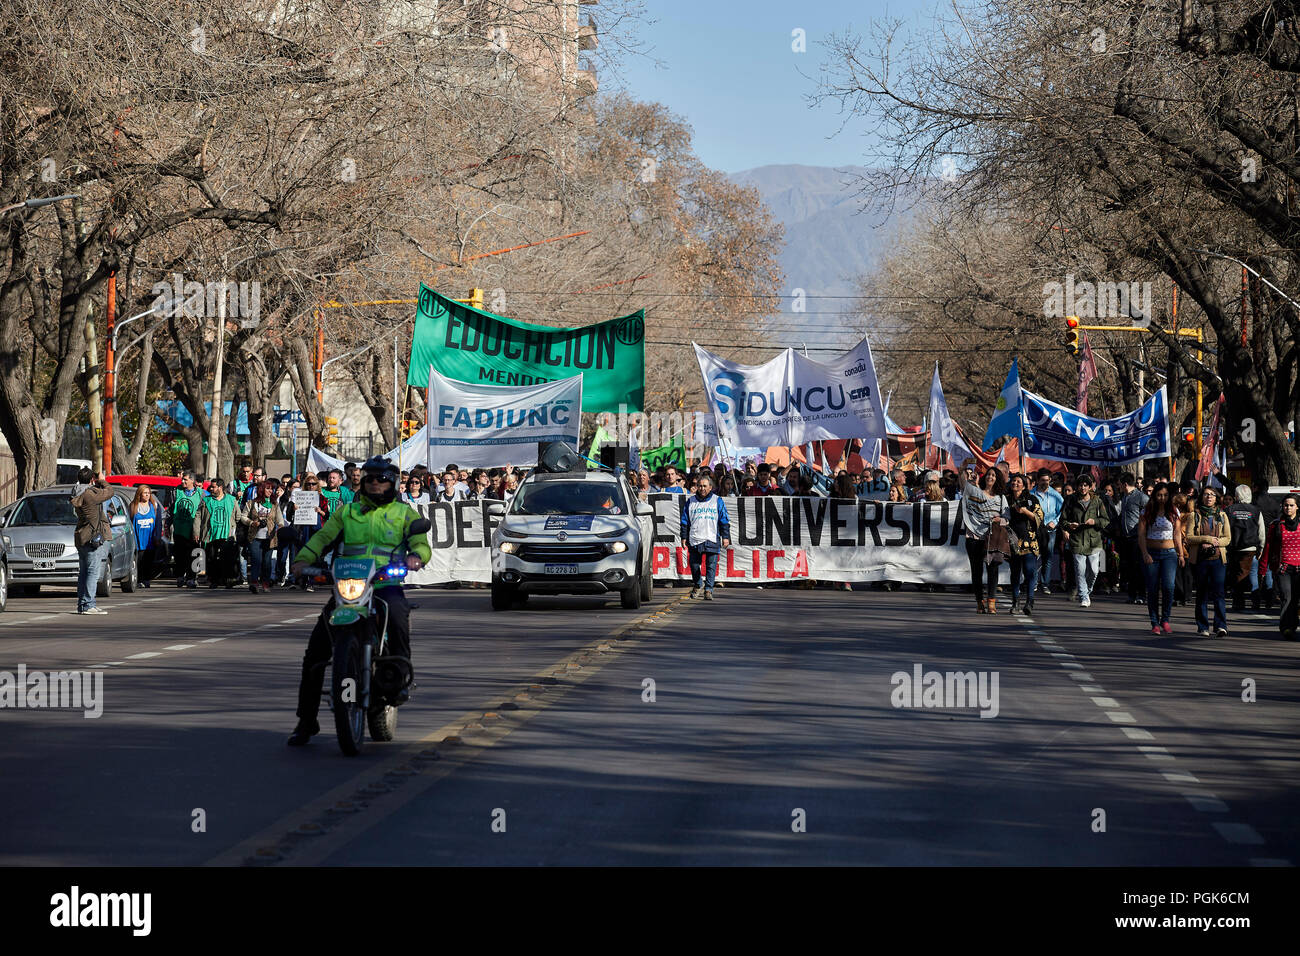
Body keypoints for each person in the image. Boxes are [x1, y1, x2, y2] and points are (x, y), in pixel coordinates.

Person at [287, 456, 431, 745]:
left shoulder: (405, 513)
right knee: (316, 651)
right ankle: (306, 720)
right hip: (348, 585)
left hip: (385, 584)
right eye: (370, 479)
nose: (375, 483)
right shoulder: (348, 512)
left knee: (400, 612)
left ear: (392, 483)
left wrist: (416, 558)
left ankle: (400, 675)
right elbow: (322, 538)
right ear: (363, 482)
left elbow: (420, 543)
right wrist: (302, 561)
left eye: (382, 479)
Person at [960, 466, 1009, 614]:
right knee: (976, 571)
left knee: (992, 570)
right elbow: (965, 490)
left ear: (997, 479)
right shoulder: (975, 492)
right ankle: (979, 601)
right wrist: (970, 481)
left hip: (992, 538)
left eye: (994, 475)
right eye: (988, 475)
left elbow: (1007, 519)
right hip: (974, 537)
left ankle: (992, 602)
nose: (990, 477)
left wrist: (999, 519)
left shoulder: (1001, 498)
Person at [1137, 482, 1183, 634]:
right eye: (1159, 495)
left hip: (1169, 554)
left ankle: (1166, 619)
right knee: (1153, 588)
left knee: (1169, 587)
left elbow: (1177, 534)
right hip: (1152, 553)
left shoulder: (1174, 511)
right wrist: (1145, 553)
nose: (1162, 498)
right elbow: (1141, 535)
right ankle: (1154, 622)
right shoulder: (1147, 511)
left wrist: (1181, 553)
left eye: (1165, 495)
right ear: (1154, 496)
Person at [1186, 485, 1232, 637]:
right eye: (1206, 494)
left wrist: (1215, 542)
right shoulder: (1195, 515)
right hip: (1200, 559)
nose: (1209, 497)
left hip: (1218, 559)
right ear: (1201, 497)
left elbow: (1228, 538)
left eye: (1212, 494)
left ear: (1216, 498)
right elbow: (1189, 537)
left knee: (1219, 593)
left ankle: (1221, 626)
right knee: (1202, 593)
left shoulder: (1222, 515)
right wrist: (1205, 539)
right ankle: (1202, 626)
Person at [1061, 472, 1110, 608]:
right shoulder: (1070, 500)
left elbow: (1105, 520)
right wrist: (1069, 525)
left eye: (1085, 485)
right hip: (1077, 540)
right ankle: (1084, 596)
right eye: (1080, 485)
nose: (1083, 488)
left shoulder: (1097, 501)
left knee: (1094, 570)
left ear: (1090, 487)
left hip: (1094, 540)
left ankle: (1086, 592)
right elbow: (1062, 520)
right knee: (1080, 570)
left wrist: (1094, 521)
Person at [72, 469, 115, 615]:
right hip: (92, 537)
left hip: (81, 535)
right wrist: (102, 480)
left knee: (84, 571)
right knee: (92, 571)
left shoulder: (76, 491)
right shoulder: (90, 494)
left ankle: (82, 604)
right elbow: (110, 491)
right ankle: (89, 604)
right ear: (91, 480)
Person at [681, 474, 731, 601]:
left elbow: (724, 520)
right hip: (694, 538)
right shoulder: (690, 502)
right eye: (700, 486)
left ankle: (708, 589)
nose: (702, 488)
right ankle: (698, 584)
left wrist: (726, 537)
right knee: (694, 565)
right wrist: (683, 537)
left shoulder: (717, 500)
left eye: (705, 486)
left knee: (711, 566)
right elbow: (685, 521)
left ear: (710, 487)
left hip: (711, 538)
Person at [1263, 494, 1300, 640]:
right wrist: (1263, 567)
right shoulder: (1276, 524)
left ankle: (1293, 625)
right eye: (1286, 505)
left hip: (1299, 568)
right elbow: (1268, 546)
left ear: (1297, 506)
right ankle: (1286, 627)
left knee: (1296, 598)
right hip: (1283, 567)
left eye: (1291, 505)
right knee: (1286, 596)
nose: (1288, 508)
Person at [1006, 474, 1043, 616]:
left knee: (1029, 572)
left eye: (1019, 481)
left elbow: (1039, 518)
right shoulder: (1006, 499)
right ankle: (1015, 602)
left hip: (1029, 542)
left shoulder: (1031, 499)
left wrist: (1025, 511)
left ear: (1024, 485)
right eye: (1014, 481)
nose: (1015, 483)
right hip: (1012, 542)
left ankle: (1029, 602)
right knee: (1015, 573)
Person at [1226, 484, 1266, 614]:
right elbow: (1261, 532)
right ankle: (1255, 601)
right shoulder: (1256, 511)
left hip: (1233, 547)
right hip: (1250, 547)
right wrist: (1261, 547)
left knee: (1236, 574)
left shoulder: (1229, 510)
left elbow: (1225, 529)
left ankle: (1238, 602)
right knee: (1250, 574)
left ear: (1237, 496)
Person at [239, 479, 283, 593]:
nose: (270, 491)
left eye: (271, 489)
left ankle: (265, 583)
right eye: (267, 488)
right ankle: (254, 583)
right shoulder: (252, 503)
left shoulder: (274, 504)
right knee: (256, 560)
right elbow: (243, 517)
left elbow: (279, 519)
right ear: (261, 489)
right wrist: (252, 523)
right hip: (254, 537)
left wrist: (281, 527)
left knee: (267, 562)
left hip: (270, 537)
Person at [1117, 472, 1149, 604]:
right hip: (1126, 537)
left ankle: (1141, 595)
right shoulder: (1124, 497)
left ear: (1125, 484)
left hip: (1138, 537)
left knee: (1139, 567)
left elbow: (1149, 515)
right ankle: (1131, 594)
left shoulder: (1141, 497)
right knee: (1129, 568)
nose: (1118, 487)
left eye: (1119, 484)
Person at [171, 471, 206, 588]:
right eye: (182, 479)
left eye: (185, 479)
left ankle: (191, 578)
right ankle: (180, 576)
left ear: (192, 481)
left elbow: (204, 512)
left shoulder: (202, 494)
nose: (182, 481)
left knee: (193, 554)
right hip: (179, 529)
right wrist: (167, 524)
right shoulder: (176, 491)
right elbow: (171, 509)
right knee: (180, 555)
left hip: (193, 530)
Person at [202, 479, 240, 588]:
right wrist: (198, 531)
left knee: (227, 558)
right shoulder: (206, 500)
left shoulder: (231, 500)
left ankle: (228, 580)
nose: (211, 489)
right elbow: (199, 516)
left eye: (213, 487)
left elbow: (238, 516)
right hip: (211, 535)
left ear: (220, 487)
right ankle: (214, 580)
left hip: (227, 535)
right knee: (212, 558)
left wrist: (232, 526)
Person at [1031, 469, 1063, 596]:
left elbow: (1062, 511)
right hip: (1035, 530)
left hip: (1050, 531)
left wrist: (1055, 522)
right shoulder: (1031, 494)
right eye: (1042, 480)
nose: (1045, 483)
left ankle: (1045, 584)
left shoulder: (1055, 495)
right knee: (1033, 557)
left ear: (1050, 480)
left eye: (1047, 480)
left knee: (1047, 557)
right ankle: (1033, 583)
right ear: (1038, 480)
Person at [129, 484, 164, 588]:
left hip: (150, 539)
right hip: (137, 539)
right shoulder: (133, 506)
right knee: (139, 560)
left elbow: (158, 523)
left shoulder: (154, 506)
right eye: (145, 493)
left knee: (148, 560)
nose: (147, 495)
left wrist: (157, 537)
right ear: (139, 494)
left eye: (149, 493)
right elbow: (130, 522)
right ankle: (139, 579)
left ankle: (147, 579)